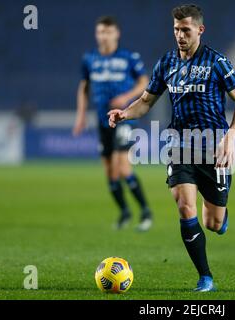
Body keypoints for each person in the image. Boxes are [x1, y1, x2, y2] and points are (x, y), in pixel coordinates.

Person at [108, 4, 235, 291]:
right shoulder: (166, 64)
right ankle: (205, 276)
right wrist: (125, 112)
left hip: (215, 148)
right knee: (184, 206)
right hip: (180, 146)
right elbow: (147, 101)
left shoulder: (216, 61)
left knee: (213, 223)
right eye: (176, 29)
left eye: (185, 30)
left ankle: (220, 215)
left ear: (200, 29)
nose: (180, 35)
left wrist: (231, 136)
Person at [73, 16, 153, 231]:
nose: (104, 36)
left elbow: (144, 82)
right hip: (101, 120)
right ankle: (125, 212)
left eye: (108, 32)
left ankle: (146, 212)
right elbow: (84, 87)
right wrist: (80, 115)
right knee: (110, 172)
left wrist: (125, 97)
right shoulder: (89, 58)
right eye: (100, 32)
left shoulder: (129, 57)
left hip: (123, 118)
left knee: (122, 167)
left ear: (116, 34)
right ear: (96, 34)